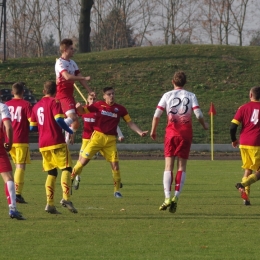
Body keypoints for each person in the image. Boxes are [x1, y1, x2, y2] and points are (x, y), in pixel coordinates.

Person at [71, 86, 147, 197]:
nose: (112, 96)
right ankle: (71, 179)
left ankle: (117, 191)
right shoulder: (98, 105)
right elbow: (83, 111)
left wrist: (140, 132)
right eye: (109, 94)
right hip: (97, 138)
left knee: (115, 166)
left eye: (113, 94)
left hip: (110, 141)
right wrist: (78, 108)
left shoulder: (120, 109)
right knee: (82, 162)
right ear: (104, 96)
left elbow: (130, 123)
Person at [150, 71, 208, 213]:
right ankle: (176, 196)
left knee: (168, 166)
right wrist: (204, 124)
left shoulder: (167, 95)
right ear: (185, 83)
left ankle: (167, 197)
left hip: (171, 134)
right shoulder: (191, 95)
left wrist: (153, 130)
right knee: (181, 167)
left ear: (172, 82)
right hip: (185, 134)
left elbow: (157, 114)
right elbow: (198, 114)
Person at [30, 81, 78, 214]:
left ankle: (50, 204)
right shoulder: (55, 102)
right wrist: (69, 129)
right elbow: (58, 119)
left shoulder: (36, 106)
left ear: (44, 91)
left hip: (43, 144)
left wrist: (43, 125)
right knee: (67, 168)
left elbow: (32, 127)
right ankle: (66, 198)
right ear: (55, 91)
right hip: (56, 140)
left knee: (52, 173)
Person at [73, 93, 124, 190]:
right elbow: (74, 119)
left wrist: (120, 135)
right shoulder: (84, 110)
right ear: (87, 100)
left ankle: (117, 181)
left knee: (112, 161)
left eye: (94, 99)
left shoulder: (98, 110)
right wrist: (72, 133)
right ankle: (76, 178)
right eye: (90, 99)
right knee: (80, 161)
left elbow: (112, 123)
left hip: (100, 139)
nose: (92, 101)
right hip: (87, 140)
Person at [55, 38, 94, 144]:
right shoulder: (59, 62)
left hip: (69, 94)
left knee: (76, 122)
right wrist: (84, 78)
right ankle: (56, 128)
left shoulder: (72, 63)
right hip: (62, 95)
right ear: (65, 50)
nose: (73, 51)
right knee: (72, 117)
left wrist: (89, 91)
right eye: (71, 49)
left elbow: (80, 77)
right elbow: (67, 77)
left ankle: (67, 140)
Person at [232, 86, 260, 205]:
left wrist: (234, 140)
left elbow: (233, 127)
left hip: (243, 143)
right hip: (257, 143)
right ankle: (243, 184)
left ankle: (246, 197)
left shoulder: (243, 108)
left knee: (247, 169)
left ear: (250, 95)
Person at [6, 82, 32, 203]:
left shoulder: (6, 104)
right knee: (20, 166)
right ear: (23, 92)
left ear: (12, 92)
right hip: (21, 139)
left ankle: (13, 193)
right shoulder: (26, 104)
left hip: (8, 139)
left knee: (14, 167)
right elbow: (32, 122)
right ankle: (17, 194)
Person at [0, 101, 25, 220]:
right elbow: (9, 127)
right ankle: (13, 209)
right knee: (8, 178)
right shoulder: (2, 107)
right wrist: (9, 143)